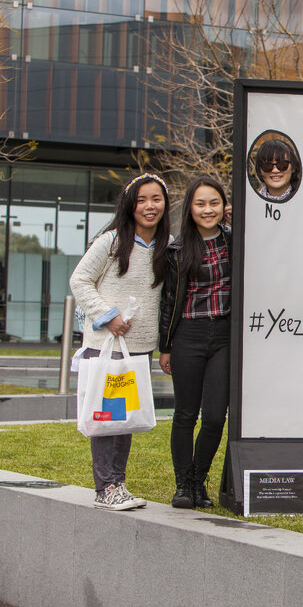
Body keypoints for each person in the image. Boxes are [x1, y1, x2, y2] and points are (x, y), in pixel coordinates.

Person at [69, 173, 171, 511]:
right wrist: (107, 314)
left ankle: (118, 483)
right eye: (141, 200)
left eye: (156, 199)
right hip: (108, 346)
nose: (149, 206)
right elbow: (80, 280)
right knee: (107, 418)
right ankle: (106, 487)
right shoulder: (110, 242)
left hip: (138, 350)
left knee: (123, 420)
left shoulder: (168, 245)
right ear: (130, 205)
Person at [158, 177, 232, 509]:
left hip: (225, 336)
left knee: (216, 416)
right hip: (188, 334)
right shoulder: (176, 249)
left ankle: (199, 479)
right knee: (185, 413)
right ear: (190, 207)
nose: (207, 209)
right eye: (200, 203)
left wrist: (236, 220)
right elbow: (168, 300)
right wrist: (166, 346)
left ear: (223, 206)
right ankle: (183, 486)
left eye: (214, 203)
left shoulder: (234, 241)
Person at [254, 138, 301, 202]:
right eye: (267, 165)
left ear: (293, 167)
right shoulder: (251, 203)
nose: (275, 170)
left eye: (282, 164)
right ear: (260, 170)